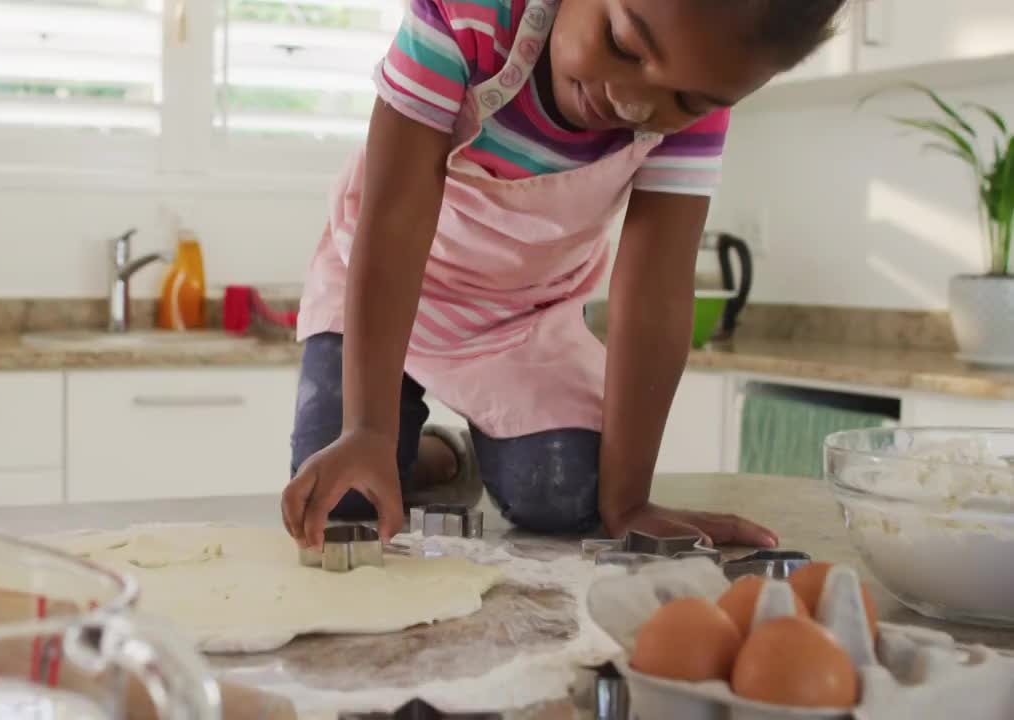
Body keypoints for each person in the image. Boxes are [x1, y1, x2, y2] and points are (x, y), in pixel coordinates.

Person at [282, 0, 847, 549]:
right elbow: (397, 217)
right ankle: (406, 445)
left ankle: (460, 454)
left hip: (518, 318)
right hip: (383, 274)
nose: (633, 105)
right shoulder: (469, 17)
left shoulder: (698, 119)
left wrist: (628, 504)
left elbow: (653, 296)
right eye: (623, 45)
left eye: (687, 98)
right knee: (348, 499)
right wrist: (368, 430)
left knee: (567, 491)